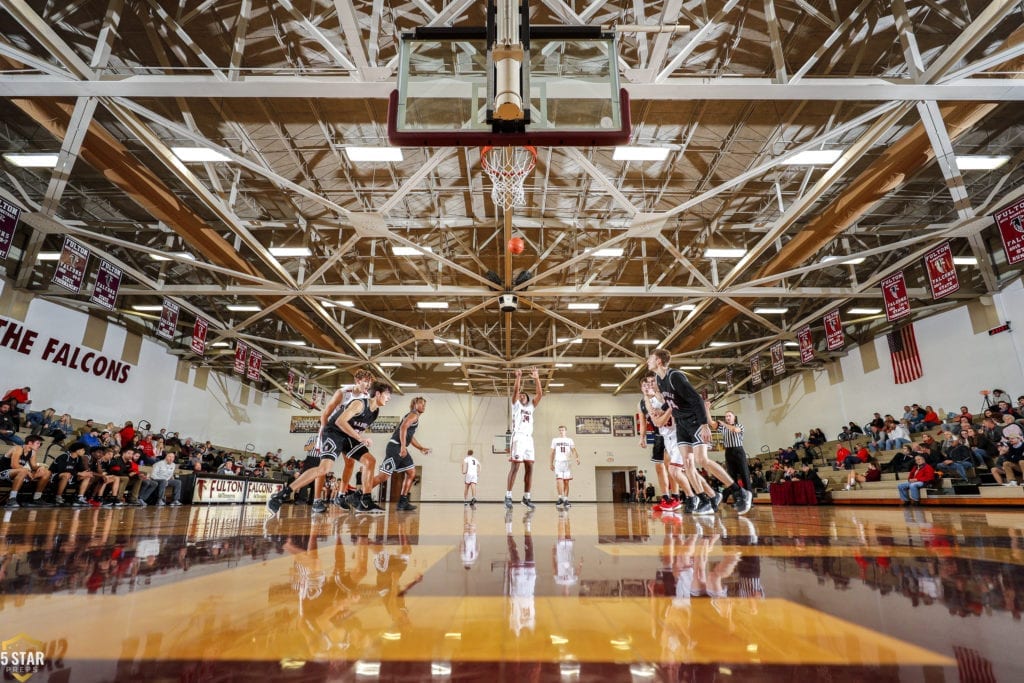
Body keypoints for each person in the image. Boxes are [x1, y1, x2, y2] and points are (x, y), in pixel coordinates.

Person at [647, 348, 752, 515]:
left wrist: (704, 425)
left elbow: (696, 399)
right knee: (688, 465)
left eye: (650, 358)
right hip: (681, 424)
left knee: (701, 460)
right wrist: (663, 410)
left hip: (694, 422)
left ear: (659, 361)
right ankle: (704, 499)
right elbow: (672, 400)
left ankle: (739, 492)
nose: (648, 361)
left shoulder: (675, 376)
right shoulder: (660, 380)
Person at [269, 381, 391, 515]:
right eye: (387, 394)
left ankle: (365, 501)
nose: (389, 398)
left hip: (348, 436)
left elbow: (356, 428)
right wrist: (361, 439)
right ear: (378, 394)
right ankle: (282, 494)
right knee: (324, 469)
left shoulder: (375, 412)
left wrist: (359, 440)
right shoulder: (360, 404)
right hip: (334, 432)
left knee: (370, 461)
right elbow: (340, 421)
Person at [641, 373, 696, 512]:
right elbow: (654, 417)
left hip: (679, 435)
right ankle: (701, 496)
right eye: (646, 384)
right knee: (681, 471)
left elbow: (663, 414)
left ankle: (690, 497)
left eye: (652, 382)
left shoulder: (666, 396)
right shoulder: (650, 401)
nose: (649, 385)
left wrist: (667, 410)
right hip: (667, 438)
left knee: (675, 470)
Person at [321, 369, 375, 510]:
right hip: (333, 430)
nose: (368, 385)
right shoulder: (343, 393)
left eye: (370, 382)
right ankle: (316, 499)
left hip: (347, 431)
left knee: (350, 463)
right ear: (357, 381)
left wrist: (359, 436)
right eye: (366, 381)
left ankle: (340, 495)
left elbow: (360, 420)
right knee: (325, 466)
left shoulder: (366, 397)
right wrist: (323, 432)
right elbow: (326, 413)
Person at [369, 397, 431, 511]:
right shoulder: (413, 415)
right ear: (414, 404)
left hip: (400, 447)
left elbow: (410, 437)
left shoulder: (413, 417)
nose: (423, 406)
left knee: (411, 472)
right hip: (395, 447)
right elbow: (403, 428)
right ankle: (360, 494)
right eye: (421, 404)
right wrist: (403, 446)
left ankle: (403, 502)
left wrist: (420, 448)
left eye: (424, 405)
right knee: (383, 476)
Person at [638, 375, 680, 511]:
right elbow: (643, 422)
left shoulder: (661, 397)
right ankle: (665, 497)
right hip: (657, 436)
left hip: (669, 434)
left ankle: (676, 495)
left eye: (650, 384)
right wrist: (642, 437)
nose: (647, 386)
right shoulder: (641, 403)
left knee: (671, 467)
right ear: (641, 387)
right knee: (659, 468)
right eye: (644, 385)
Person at [505, 369, 542, 510]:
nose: (520, 396)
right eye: (519, 395)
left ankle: (526, 498)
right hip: (518, 437)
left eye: (523, 395)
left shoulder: (531, 407)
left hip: (528, 440)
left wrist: (537, 378)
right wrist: (518, 377)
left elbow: (539, 394)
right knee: (515, 467)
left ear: (527, 398)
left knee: (530, 468)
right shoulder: (516, 406)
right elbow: (514, 392)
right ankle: (508, 496)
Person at [707, 408, 751, 506]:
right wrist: (707, 409)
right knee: (732, 477)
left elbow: (734, 430)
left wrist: (723, 423)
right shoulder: (723, 428)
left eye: (729, 416)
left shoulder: (739, 425)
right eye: (726, 416)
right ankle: (737, 501)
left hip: (738, 451)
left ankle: (749, 501)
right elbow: (711, 423)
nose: (727, 418)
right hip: (728, 452)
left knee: (745, 476)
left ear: (734, 417)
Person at [1, 435, 51, 507]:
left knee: (46, 472)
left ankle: (36, 498)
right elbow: (14, 465)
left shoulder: (32, 452)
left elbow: (34, 466)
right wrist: (27, 471)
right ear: (30, 443)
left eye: (40, 444)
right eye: (38, 443)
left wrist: (41, 467)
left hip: (20, 474)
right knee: (23, 471)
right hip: (4, 473)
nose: (39, 445)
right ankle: (11, 499)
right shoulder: (18, 448)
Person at [49, 442, 95, 506]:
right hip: (56, 476)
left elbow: (82, 470)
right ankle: (58, 497)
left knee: (87, 476)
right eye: (83, 450)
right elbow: (61, 470)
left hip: (70, 477)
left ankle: (79, 497)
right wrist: (79, 473)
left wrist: (86, 472)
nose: (84, 451)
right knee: (66, 474)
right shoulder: (64, 456)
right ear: (78, 450)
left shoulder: (78, 459)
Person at [549, 425, 580, 508]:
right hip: (558, 462)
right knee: (559, 481)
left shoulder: (569, 440)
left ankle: (566, 499)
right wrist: (551, 463)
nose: (561, 431)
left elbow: (573, 450)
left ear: (565, 431)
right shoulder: (555, 440)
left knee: (566, 481)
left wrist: (577, 457)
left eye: (563, 430)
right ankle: (560, 498)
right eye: (560, 430)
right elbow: (552, 452)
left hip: (567, 462)